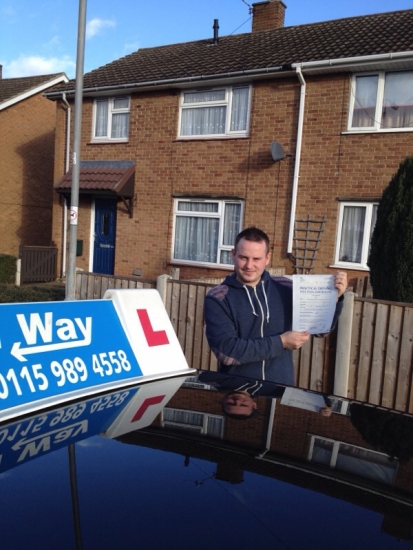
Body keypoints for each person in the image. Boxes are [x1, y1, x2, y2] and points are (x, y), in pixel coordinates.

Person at [204, 227, 347, 386]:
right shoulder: (218, 298)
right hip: (236, 395)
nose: (249, 265)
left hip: (279, 393)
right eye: (244, 257)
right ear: (233, 254)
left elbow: (320, 330)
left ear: (267, 258)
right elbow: (228, 353)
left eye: (256, 259)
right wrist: (281, 342)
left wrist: (335, 298)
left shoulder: (287, 288)